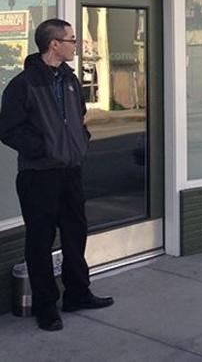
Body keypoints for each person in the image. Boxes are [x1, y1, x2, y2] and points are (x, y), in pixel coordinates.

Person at [0, 19, 113, 331]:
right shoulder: (23, 85)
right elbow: (8, 129)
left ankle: (78, 293)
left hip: (71, 172)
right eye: (71, 40)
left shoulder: (71, 80)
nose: (75, 45)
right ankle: (45, 306)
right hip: (38, 176)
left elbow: (78, 117)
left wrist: (80, 141)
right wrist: (45, 149)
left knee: (76, 234)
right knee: (40, 240)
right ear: (54, 44)